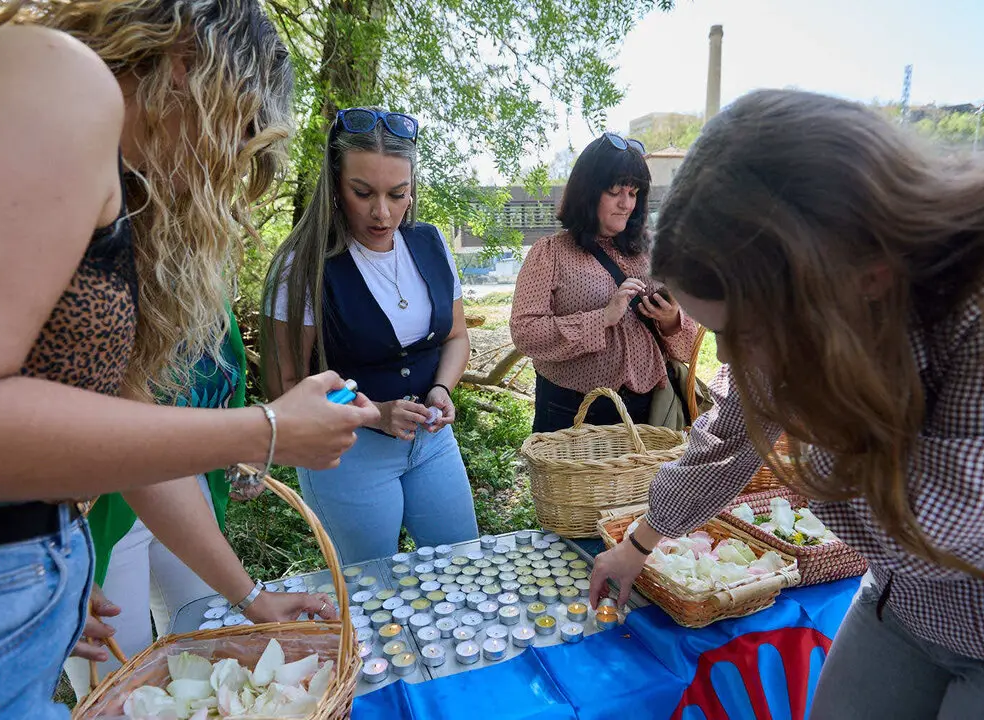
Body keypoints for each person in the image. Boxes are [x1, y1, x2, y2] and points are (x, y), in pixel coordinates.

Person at [0, 3, 377, 717]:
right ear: (188, 66)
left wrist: (249, 596)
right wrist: (268, 430)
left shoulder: (88, 177)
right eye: (240, 136)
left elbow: (132, 437)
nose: (217, 182)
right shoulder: (53, 77)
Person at [589, 89, 984, 719]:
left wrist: (802, 409)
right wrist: (642, 540)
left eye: (748, 332)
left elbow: (939, 533)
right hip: (902, 603)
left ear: (865, 279)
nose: (733, 358)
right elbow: (734, 426)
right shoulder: (822, 294)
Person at [63, 305, 334, 699]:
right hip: (94, 509)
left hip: (178, 485)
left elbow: (213, 381)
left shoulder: (203, 279)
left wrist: (254, 600)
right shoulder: (92, 288)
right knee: (121, 682)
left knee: (203, 648)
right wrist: (268, 430)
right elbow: (129, 431)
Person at [262, 107, 479, 565]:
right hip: (349, 454)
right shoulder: (300, 267)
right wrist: (374, 414)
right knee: (370, 587)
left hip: (433, 443)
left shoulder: (431, 242)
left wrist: (441, 388)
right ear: (335, 185)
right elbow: (288, 389)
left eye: (398, 194)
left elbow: (456, 336)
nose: (383, 213)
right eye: (363, 193)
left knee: (462, 565)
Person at [510, 133, 699, 433]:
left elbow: (689, 346)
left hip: (644, 412)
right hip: (571, 412)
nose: (627, 204)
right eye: (616, 192)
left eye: (634, 193)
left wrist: (671, 320)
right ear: (589, 192)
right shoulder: (551, 253)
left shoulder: (654, 251)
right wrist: (602, 319)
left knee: (642, 483)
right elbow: (525, 332)